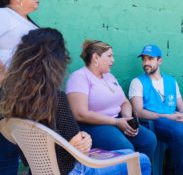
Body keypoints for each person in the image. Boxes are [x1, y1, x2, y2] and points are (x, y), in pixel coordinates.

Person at [0, 28, 151, 175]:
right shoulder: (56, 99)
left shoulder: (13, 101)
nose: (113, 60)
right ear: (56, 61)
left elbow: (42, 143)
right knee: (142, 160)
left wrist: (75, 140)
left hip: (40, 170)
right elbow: (81, 150)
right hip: (73, 170)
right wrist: (85, 139)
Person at [66, 40, 157, 160]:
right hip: (92, 125)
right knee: (126, 151)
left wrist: (126, 118)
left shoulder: (109, 77)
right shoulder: (79, 77)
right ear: (95, 58)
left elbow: (124, 101)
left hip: (117, 120)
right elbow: (80, 114)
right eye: (109, 56)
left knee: (149, 140)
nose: (113, 60)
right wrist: (117, 123)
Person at [129, 44, 183, 175]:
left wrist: (181, 115)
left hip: (175, 121)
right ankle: (182, 171)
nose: (146, 63)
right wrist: (167, 117)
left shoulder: (171, 81)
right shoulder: (137, 82)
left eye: (150, 59)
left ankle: (179, 166)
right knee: (179, 130)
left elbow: (182, 107)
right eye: (144, 59)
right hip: (154, 123)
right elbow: (138, 112)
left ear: (159, 61)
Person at [0, 0, 47, 173]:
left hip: (25, 98)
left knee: (14, 154)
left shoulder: (26, 22)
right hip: (7, 95)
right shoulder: (4, 15)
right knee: (6, 155)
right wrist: (3, 77)